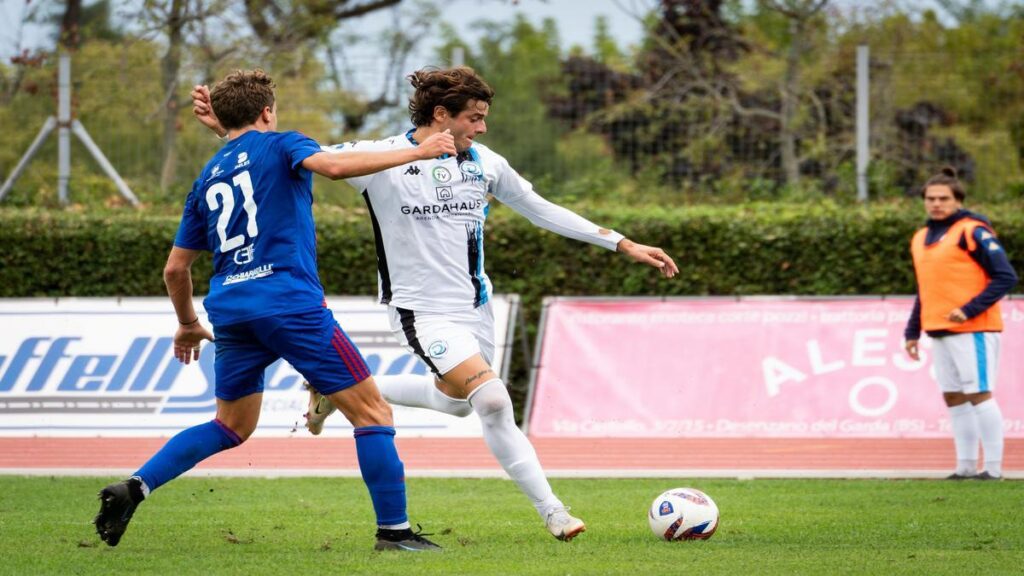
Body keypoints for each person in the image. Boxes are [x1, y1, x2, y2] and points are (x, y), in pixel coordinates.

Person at [192, 66, 678, 541]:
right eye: (475, 117)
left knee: (459, 404)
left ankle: (331, 390)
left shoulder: (487, 163)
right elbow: (287, 159)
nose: (483, 127)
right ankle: (553, 512)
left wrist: (621, 242)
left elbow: (541, 209)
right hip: (419, 310)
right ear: (442, 114)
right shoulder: (380, 155)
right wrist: (230, 135)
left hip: (476, 308)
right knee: (491, 399)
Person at [93, 69, 456, 551]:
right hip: (289, 304)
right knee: (373, 413)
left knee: (230, 426)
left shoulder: (207, 177)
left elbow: (175, 270)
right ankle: (394, 532)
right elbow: (332, 167)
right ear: (267, 111)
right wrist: (418, 150)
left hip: (231, 313)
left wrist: (186, 324)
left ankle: (135, 487)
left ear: (225, 118)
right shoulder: (285, 142)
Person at [904, 167, 1018, 481]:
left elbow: (1006, 277)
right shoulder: (920, 238)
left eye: (943, 198)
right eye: (930, 198)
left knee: (979, 393)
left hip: (974, 328)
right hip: (937, 329)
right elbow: (925, 289)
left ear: (958, 200)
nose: (936, 203)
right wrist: (913, 331)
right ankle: (965, 466)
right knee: (953, 396)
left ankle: (993, 469)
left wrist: (968, 310)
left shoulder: (973, 231)